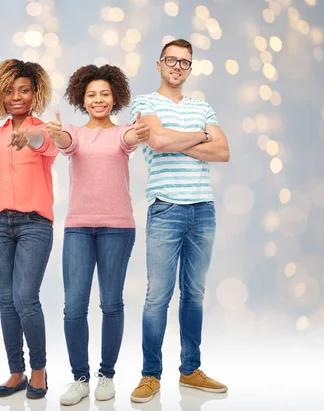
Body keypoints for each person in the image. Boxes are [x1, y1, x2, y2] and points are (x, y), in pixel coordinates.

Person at [128, 39, 230, 403]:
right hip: (166, 207)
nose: (178, 66)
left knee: (195, 294)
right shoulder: (144, 102)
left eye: (185, 62)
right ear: (159, 64)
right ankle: (150, 375)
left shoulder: (203, 106)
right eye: (171, 60)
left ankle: (190, 370)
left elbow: (224, 151)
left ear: (190, 68)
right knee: (158, 295)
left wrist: (178, 139)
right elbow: (156, 139)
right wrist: (201, 135)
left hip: (203, 209)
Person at [44, 64, 149, 406]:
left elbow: (132, 139)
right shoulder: (74, 132)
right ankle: (79, 377)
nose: (99, 99)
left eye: (105, 94)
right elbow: (65, 142)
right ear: (82, 99)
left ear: (115, 97)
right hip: (78, 228)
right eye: (92, 95)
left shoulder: (123, 133)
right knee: (74, 306)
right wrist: (56, 133)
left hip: (118, 229)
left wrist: (142, 131)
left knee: (111, 302)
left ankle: (107, 374)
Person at [0, 59, 57, 399]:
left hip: (35, 224)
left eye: (24, 90)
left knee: (25, 297)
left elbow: (42, 142)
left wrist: (28, 135)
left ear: (35, 93)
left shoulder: (46, 130)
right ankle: (16, 372)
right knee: (6, 301)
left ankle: (39, 370)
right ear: (0, 96)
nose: (16, 97)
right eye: (9, 91)